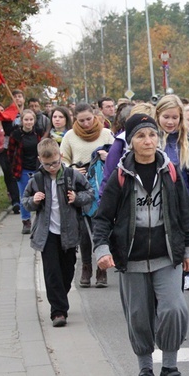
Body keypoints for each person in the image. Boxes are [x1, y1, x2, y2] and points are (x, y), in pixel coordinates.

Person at [93, 113, 189, 376]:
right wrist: (102, 249)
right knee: (138, 315)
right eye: (140, 136)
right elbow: (102, 218)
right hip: (132, 258)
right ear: (131, 142)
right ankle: (145, 368)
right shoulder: (121, 175)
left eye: (151, 135)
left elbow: (185, 213)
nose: (148, 140)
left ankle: (171, 368)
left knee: (174, 308)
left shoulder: (170, 171)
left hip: (167, 255)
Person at [22, 138, 94, 327]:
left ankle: (61, 297)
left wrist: (77, 198)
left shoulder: (71, 175)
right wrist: (34, 201)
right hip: (47, 234)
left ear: (60, 156)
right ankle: (58, 312)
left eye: (55, 162)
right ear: (40, 160)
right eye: (47, 164)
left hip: (69, 232)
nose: (52, 167)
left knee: (67, 270)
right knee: (52, 272)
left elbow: (90, 193)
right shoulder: (37, 179)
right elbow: (26, 200)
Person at [59, 103, 115, 288]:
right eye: (81, 120)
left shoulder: (106, 134)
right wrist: (73, 169)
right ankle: (86, 267)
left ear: (95, 116)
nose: (85, 124)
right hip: (79, 187)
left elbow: (118, 156)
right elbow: (63, 160)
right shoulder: (69, 136)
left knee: (100, 227)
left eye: (88, 119)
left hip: (102, 188)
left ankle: (102, 270)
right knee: (83, 231)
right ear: (75, 119)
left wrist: (108, 158)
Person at [154, 94, 189, 291]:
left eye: (175, 117)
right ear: (158, 115)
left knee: (176, 252)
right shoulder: (150, 137)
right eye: (166, 117)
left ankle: (172, 293)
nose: (170, 122)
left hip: (180, 206)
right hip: (154, 205)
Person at [8, 110, 42, 233]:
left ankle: (41, 220)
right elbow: (10, 153)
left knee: (41, 195)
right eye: (26, 120)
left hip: (38, 168)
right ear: (21, 121)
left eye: (31, 119)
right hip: (22, 169)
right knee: (24, 196)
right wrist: (13, 168)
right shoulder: (16, 135)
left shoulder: (38, 133)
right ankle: (26, 221)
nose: (28, 122)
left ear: (34, 120)